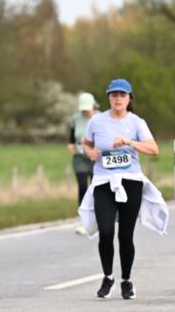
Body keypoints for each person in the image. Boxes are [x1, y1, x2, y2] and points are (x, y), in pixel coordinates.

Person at [79, 79, 169, 300]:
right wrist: (89, 152)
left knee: (126, 235)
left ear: (129, 98)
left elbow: (154, 149)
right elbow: (86, 142)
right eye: (114, 95)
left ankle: (126, 281)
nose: (118, 98)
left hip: (130, 181)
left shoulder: (137, 122)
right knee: (106, 231)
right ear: (108, 97)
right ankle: (108, 277)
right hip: (103, 181)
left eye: (122, 95)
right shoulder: (97, 121)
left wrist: (130, 143)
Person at [68, 92, 97, 235]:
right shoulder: (75, 118)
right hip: (80, 157)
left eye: (87, 108)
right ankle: (84, 220)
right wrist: (70, 144)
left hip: (96, 158)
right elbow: (72, 136)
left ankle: (97, 218)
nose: (85, 111)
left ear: (93, 105)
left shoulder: (100, 118)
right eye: (83, 109)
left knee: (95, 188)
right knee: (82, 186)